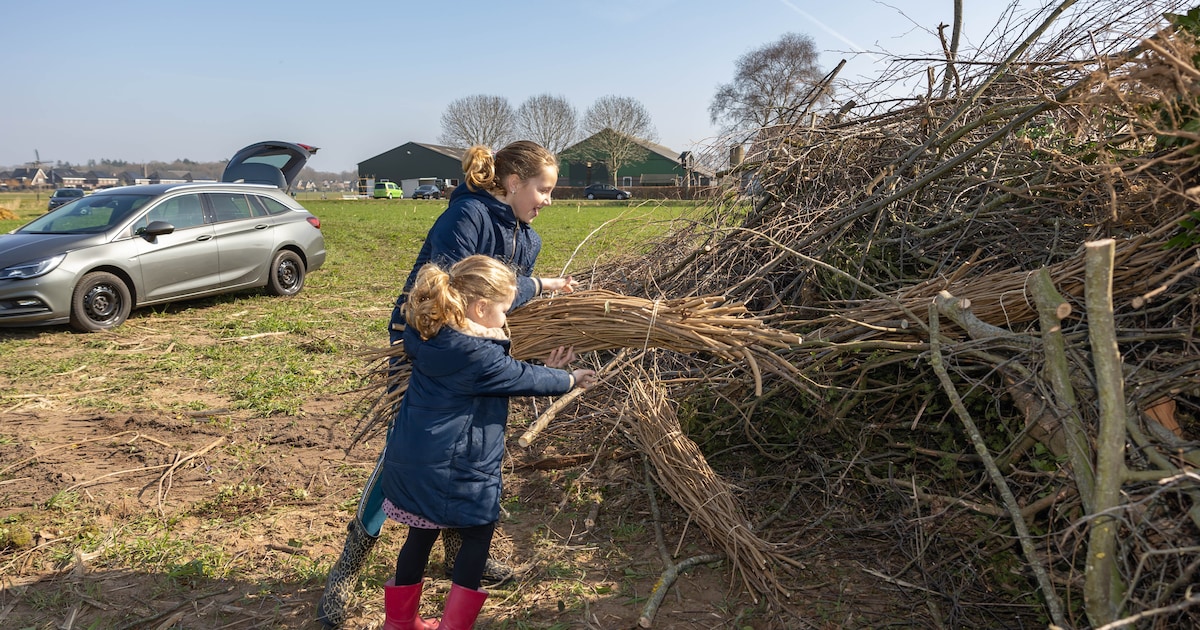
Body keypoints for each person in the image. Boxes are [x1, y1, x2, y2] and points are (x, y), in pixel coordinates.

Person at [318, 140, 579, 628]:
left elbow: (502, 303)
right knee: (411, 452)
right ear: (514, 182)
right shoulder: (468, 217)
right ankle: (348, 569)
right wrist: (539, 286)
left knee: (472, 446)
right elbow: (448, 287)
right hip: (427, 344)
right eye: (543, 189)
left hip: (482, 347)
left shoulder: (529, 238)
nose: (548, 200)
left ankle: (457, 554)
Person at [379, 255, 597, 629]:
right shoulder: (478, 356)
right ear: (480, 309)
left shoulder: (430, 332)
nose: (508, 314)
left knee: (420, 534)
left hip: (413, 459)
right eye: (504, 307)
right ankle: (454, 626)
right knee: (478, 536)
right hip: (456, 467)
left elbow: (508, 318)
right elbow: (522, 376)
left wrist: (549, 284)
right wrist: (569, 377)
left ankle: (399, 624)